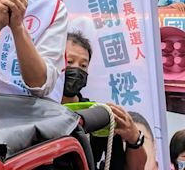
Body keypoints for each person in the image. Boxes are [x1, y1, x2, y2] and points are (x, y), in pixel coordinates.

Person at [61, 31, 148, 170]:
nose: (76, 69)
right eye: (70, 62)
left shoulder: (98, 116)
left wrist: (134, 138)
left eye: (83, 65)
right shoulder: (32, 110)